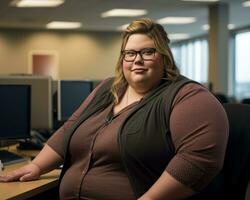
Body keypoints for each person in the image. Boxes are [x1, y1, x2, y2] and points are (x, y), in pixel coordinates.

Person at [0, 18, 229, 200]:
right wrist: (38, 165)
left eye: (147, 52)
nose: (137, 60)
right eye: (130, 53)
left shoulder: (187, 96)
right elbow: (69, 130)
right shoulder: (108, 88)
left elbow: (197, 161)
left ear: (165, 57)